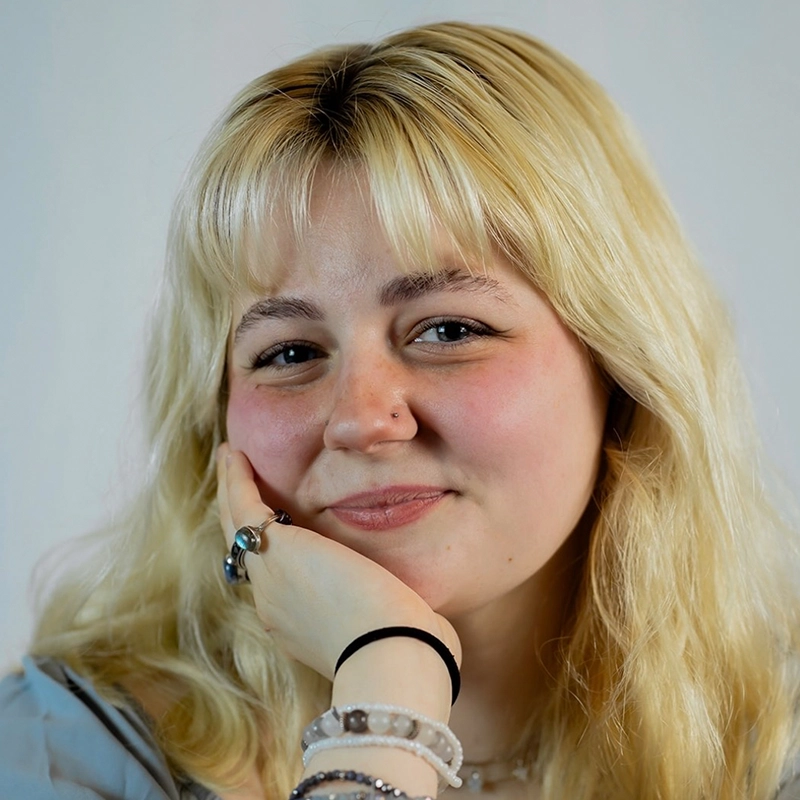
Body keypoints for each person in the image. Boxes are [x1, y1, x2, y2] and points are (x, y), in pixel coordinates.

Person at [1, 19, 799, 800]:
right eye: (289, 352)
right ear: (216, 417)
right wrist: (386, 691)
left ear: (621, 365)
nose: (359, 417)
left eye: (450, 330)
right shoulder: (68, 752)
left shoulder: (776, 736)